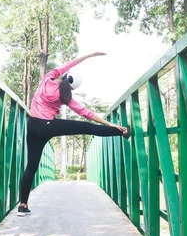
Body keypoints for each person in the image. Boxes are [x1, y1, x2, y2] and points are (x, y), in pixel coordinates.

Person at [18, 52, 130, 216]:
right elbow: (86, 113)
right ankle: (122, 132)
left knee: (31, 167)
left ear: (64, 76)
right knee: (86, 127)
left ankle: (22, 205)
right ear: (72, 88)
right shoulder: (65, 97)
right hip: (49, 126)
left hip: (32, 126)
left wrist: (89, 55)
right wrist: (109, 123)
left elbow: (70, 64)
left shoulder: (47, 78)